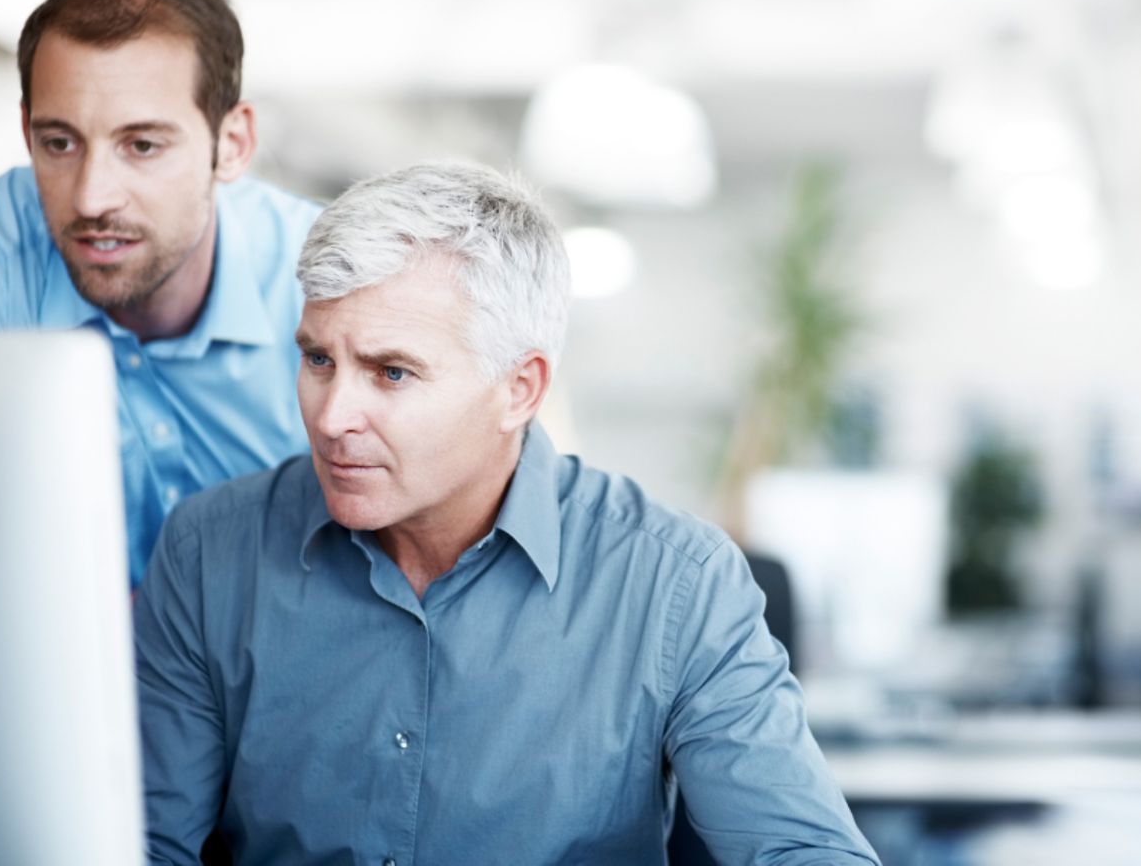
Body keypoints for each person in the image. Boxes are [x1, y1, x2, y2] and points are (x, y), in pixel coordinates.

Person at [135, 162, 880, 865]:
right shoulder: (211, 552)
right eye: (319, 359)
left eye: (391, 372)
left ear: (520, 389)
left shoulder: (675, 587)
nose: (333, 417)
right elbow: (140, 845)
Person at [0, 0, 320, 586]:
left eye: (142, 145)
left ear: (230, 145)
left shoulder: (325, 282)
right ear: (26, 132)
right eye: (60, 143)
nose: (93, 197)